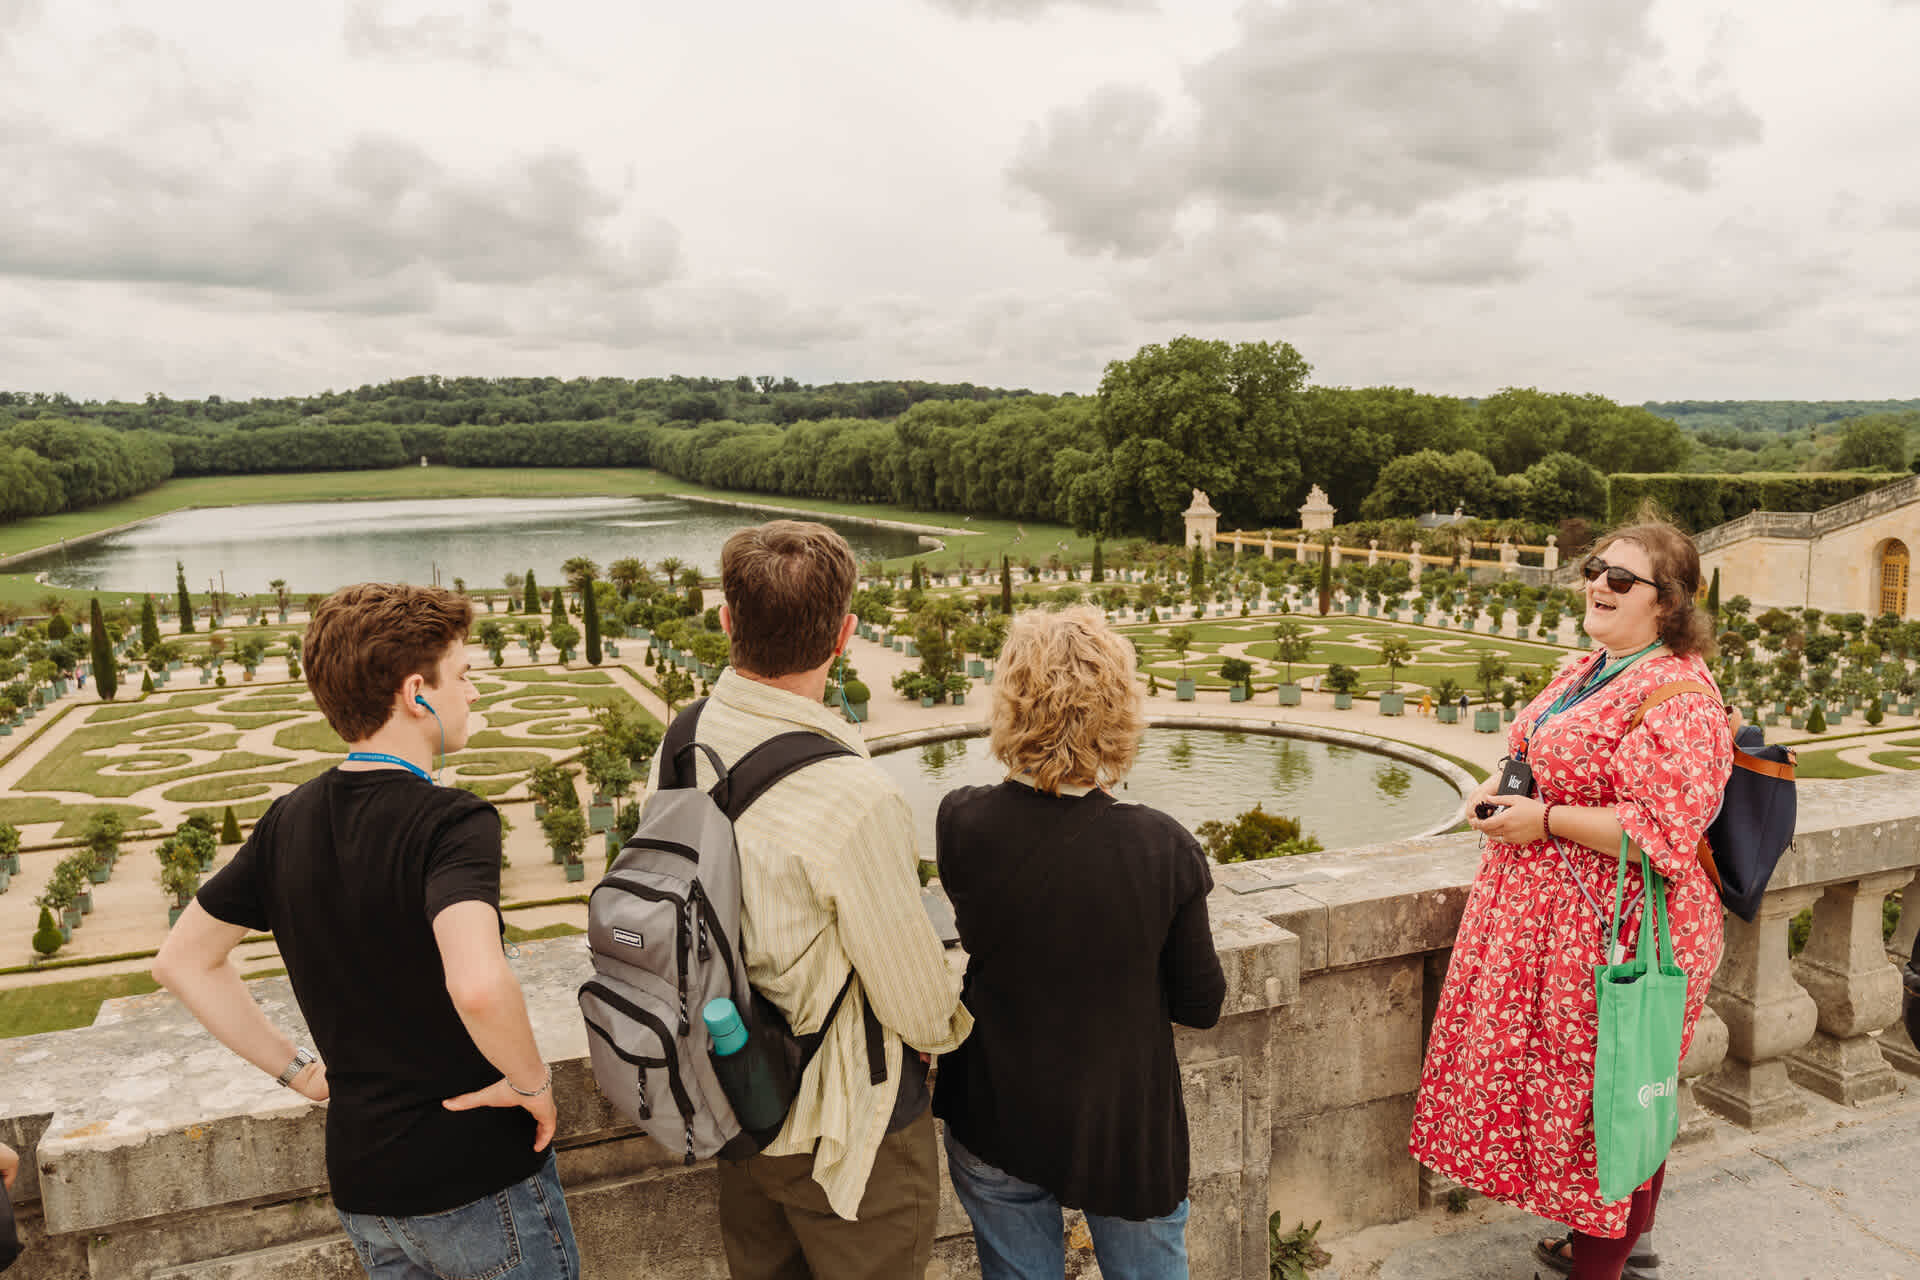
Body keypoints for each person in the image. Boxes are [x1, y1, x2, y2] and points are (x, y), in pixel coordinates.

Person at [154, 583, 578, 1280]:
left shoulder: (287, 819)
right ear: (418, 692)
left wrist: (297, 1072)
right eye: (464, 675)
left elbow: (182, 961)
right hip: (475, 1176)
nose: (475, 692)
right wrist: (534, 1083)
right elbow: (476, 984)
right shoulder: (452, 822)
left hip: (365, 1183)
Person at [1409, 516, 1732, 1280]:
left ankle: (1602, 1264)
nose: (1598, 584)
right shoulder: (1598, 665)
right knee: (1605, 1096)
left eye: (1621, 578)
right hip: (1558, 925)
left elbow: (1661, 831)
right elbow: (1540, 748)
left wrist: (1543, 819)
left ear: (1669, 602)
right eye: (1595, 568)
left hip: (1619, 933)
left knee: (1612, 1101)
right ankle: (1617, 1240)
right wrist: (1503, 782)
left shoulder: (1676, 694)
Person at [665, 521, 971, 1280]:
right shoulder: (853, 794)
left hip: (735, 1100)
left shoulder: (684, 737)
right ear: (845, 636)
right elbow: (915, 1000)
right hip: (845, 1132)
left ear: (727, 620)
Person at [934, 606, 1226, 1280]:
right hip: (1123, 1119)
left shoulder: (962, 819)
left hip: (995, 1102)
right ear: (1120, 712)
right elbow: (1200, 1004)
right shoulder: (1161, 845)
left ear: (1010, 706)